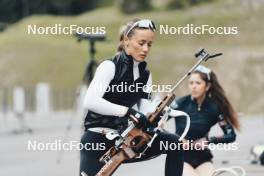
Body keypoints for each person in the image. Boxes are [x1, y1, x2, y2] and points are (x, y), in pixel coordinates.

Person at [80, 19, 184, 176]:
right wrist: (128, 112)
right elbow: (90, 101)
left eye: (149, 44)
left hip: (128, 138)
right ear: (126, 40)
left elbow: (144, 109)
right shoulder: (109, 66)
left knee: (174, 143)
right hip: (98, 138)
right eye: (141, 43)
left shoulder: (146, 75)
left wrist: (158, 117)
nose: (145, 49)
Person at [170, 65, 240, 176]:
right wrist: (176, 138)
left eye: (198, 83)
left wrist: (208, 140)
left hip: (203, 158)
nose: (193, 87)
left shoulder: (215, 107)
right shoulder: (179, 103)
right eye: (191, 83)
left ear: (207, 86)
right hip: (181, 157)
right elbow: (158, 124)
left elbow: (231, 135)